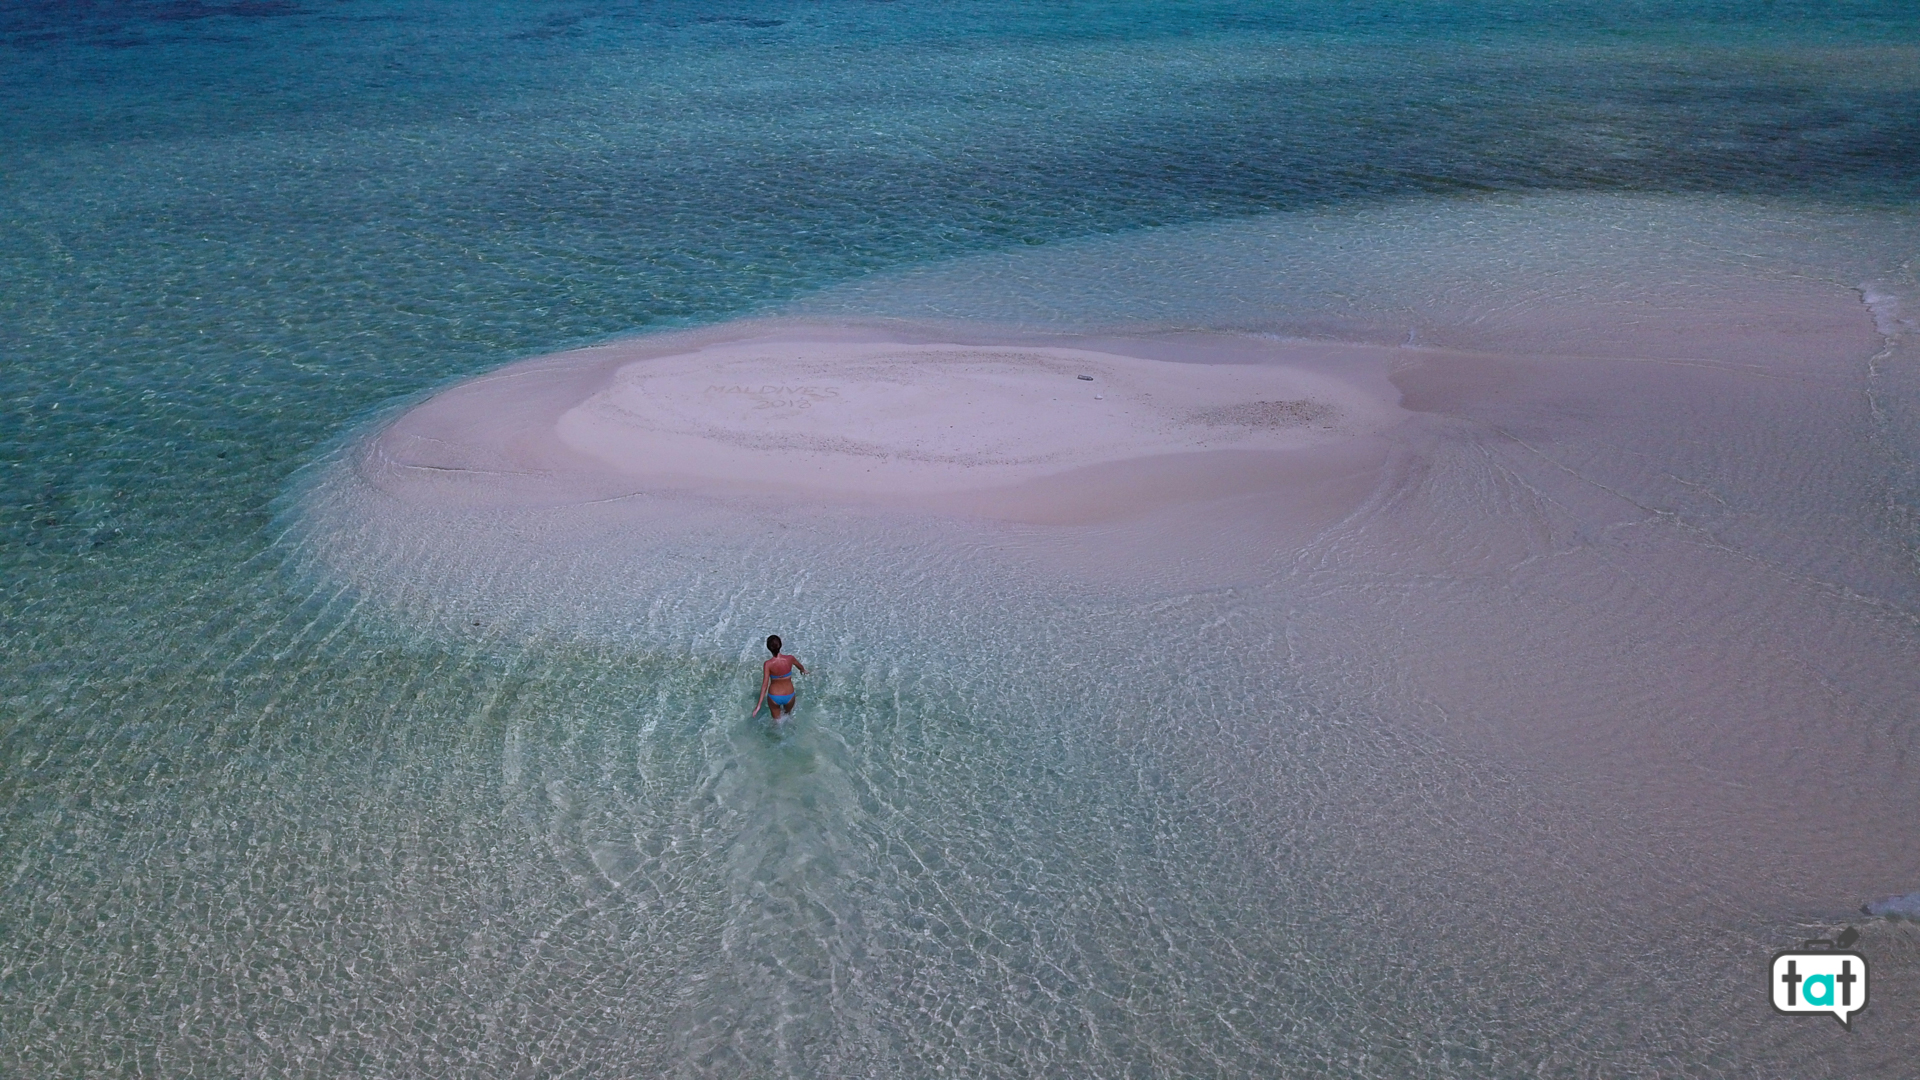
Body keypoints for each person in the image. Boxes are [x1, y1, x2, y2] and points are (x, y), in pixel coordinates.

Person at [752, 634, 807, 723]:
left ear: (768, 648)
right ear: (780, 645)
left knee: (777, 723)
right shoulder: (790, 659)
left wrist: (758, 705)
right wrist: (803, 670)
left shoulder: (768, 664)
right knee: (788, 718)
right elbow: (800, 667)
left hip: (775, 697)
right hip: (789, 695)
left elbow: (765, 685)